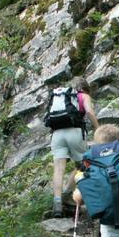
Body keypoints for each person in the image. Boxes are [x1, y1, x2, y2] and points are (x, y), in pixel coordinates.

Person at [49, 77, 99, 218]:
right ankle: (67, 193)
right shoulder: (83, 96)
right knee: (83, 164)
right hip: (75, 132)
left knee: (58, 169)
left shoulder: (62, 97)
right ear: (85, 87)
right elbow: (89, 112)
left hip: (57, 134)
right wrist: (98, 129)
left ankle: (57, 203)